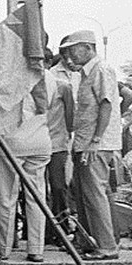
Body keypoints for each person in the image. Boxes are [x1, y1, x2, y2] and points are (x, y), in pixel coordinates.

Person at [60, 30, 121, 260]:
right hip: (85, 141)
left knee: (95, 195)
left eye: (73, 50)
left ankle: (107, 246)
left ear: (88, 47)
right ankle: (91, 241)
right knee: (86, 194)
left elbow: (106, 105)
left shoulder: (101, 70)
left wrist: (96, 140)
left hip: (95, 144)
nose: (70, 56)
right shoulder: (86, 73)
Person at [0, 65, 51, 262]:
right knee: (37, 196)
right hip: (41, 137)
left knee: (7, 196)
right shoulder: (49, 76)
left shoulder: (10, 74)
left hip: (14, 139)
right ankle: (36, 248)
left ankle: (5, 247)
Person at [45, 56, 76, 247]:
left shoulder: (63, 86)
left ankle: (62, 228)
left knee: (58, 187)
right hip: (36, 142)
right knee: (38, 191)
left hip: (57, 143)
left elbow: (70, 118)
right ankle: (44, 231)